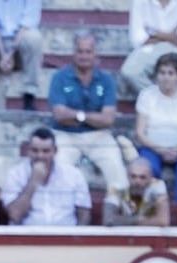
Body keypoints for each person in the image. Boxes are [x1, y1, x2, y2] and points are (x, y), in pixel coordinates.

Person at [48, 33, 128, 202]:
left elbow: (108, 119)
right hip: (65, 134)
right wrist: (92, 117)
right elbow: (60, 115)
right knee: (58, 168)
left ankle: (122, 211)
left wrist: (77, 116)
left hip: (99, 135)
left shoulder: (106, 80)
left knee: (116, 167)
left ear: (95, 54)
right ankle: (60, 213)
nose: (84, 56)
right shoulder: (60, 77)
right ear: (73, 53)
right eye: (80, 51)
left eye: (88, 51)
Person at [134, 52, 177, 203]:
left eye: (171, 73)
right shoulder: (146, 94)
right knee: (150, 170)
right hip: (152, 147)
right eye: (162, 72)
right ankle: (152, 210)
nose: (166, 77)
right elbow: (140, 132)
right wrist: (160, 149)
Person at [2, 126, 90, 226]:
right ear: (28, 150)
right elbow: (15, 215)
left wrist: (78, 235)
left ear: (55, 151)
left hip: (65, 233)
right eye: (35, 150)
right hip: (29, 234)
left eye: (46, 151)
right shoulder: (15, 174)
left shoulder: (74, 174)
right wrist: (33, 181)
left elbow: (84, 213)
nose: (40, 156)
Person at [121, 0, 177, 94]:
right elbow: (137, 37)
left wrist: (153, 33)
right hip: (149, 48)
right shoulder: (139, 2)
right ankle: (156, 99)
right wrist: (172, 34)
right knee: (130, 71)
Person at [103, 156, 172, 225]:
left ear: (150, 177)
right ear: (127, 176)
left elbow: (163, 221)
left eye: (142, 177)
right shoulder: (116, 187)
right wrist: (138, 220)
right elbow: (108, 219)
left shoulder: (158, 185)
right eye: (133, 176)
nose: (137, 181)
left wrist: (126, 220)